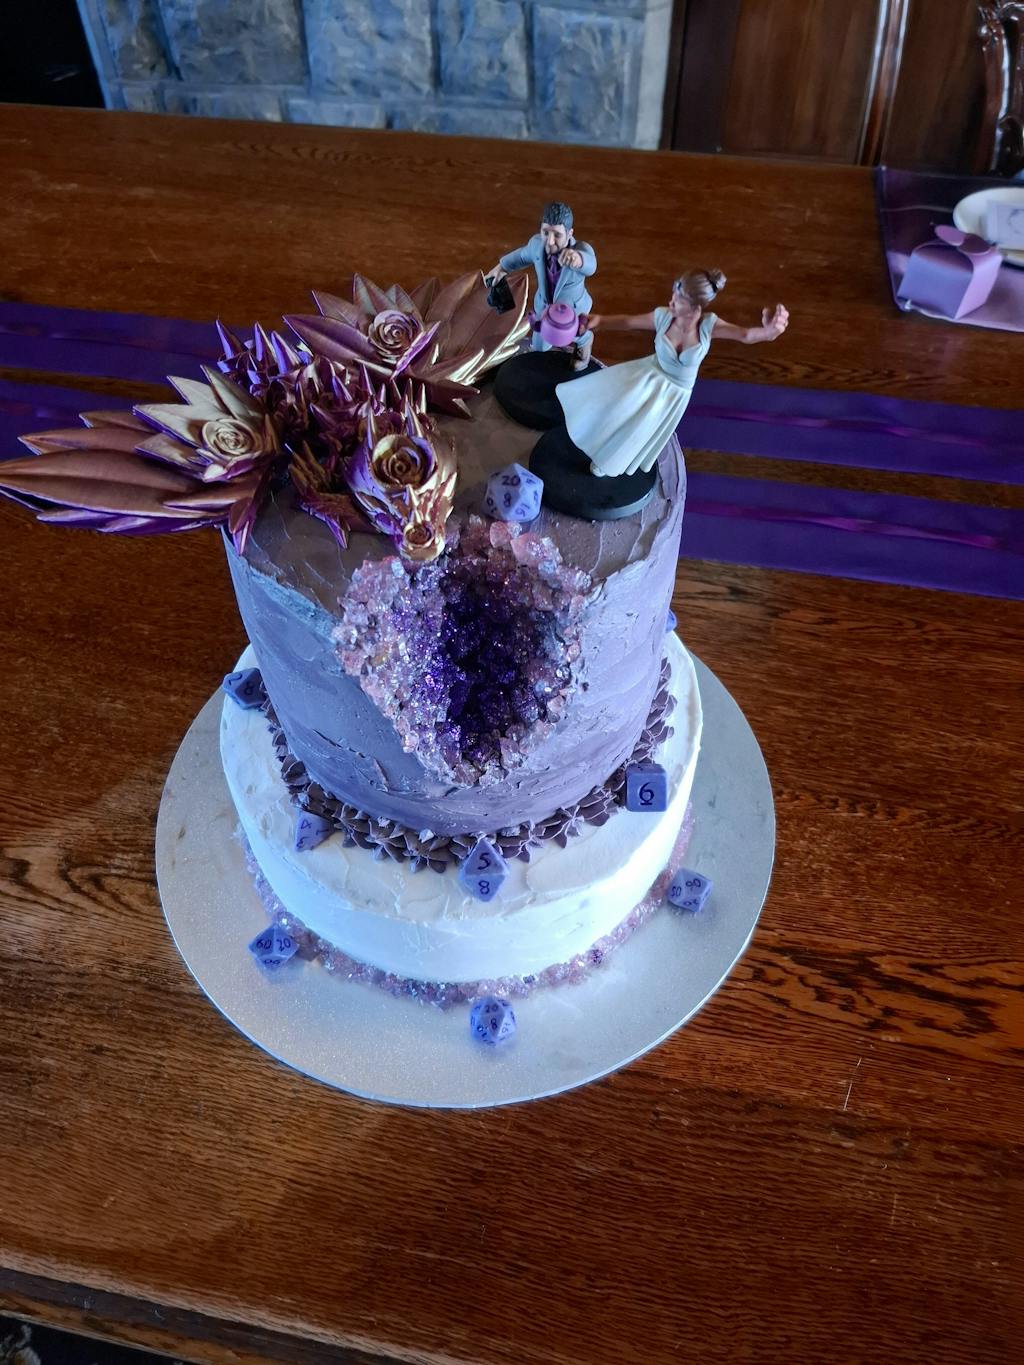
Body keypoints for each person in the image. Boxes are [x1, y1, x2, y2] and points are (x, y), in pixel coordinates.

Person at [557, 269, 789, 477]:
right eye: (673, 297)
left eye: (678, 301)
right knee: (616, 407)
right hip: (649, 374)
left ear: (695, 307)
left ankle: (610, 462)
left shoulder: (708, 326)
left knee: (639, 428)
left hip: (674, 393)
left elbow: (745, 335)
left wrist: (768, 332)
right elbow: (629, 322)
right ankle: (591, 437)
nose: (671, 302)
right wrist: (600, 321)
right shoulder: (664, 316)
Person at [487, 201, 597, 370]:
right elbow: (520, 257)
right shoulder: (537, 245)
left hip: (571, 311)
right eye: (546, 232)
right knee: (539, 346)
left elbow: (591, 265)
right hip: (545, 308)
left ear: (569, 234)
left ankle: (585, 341)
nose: (550, 241)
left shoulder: (581, 250)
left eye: (557, 235)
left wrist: (578, 259)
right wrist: (501, 268)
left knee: (572, 335)